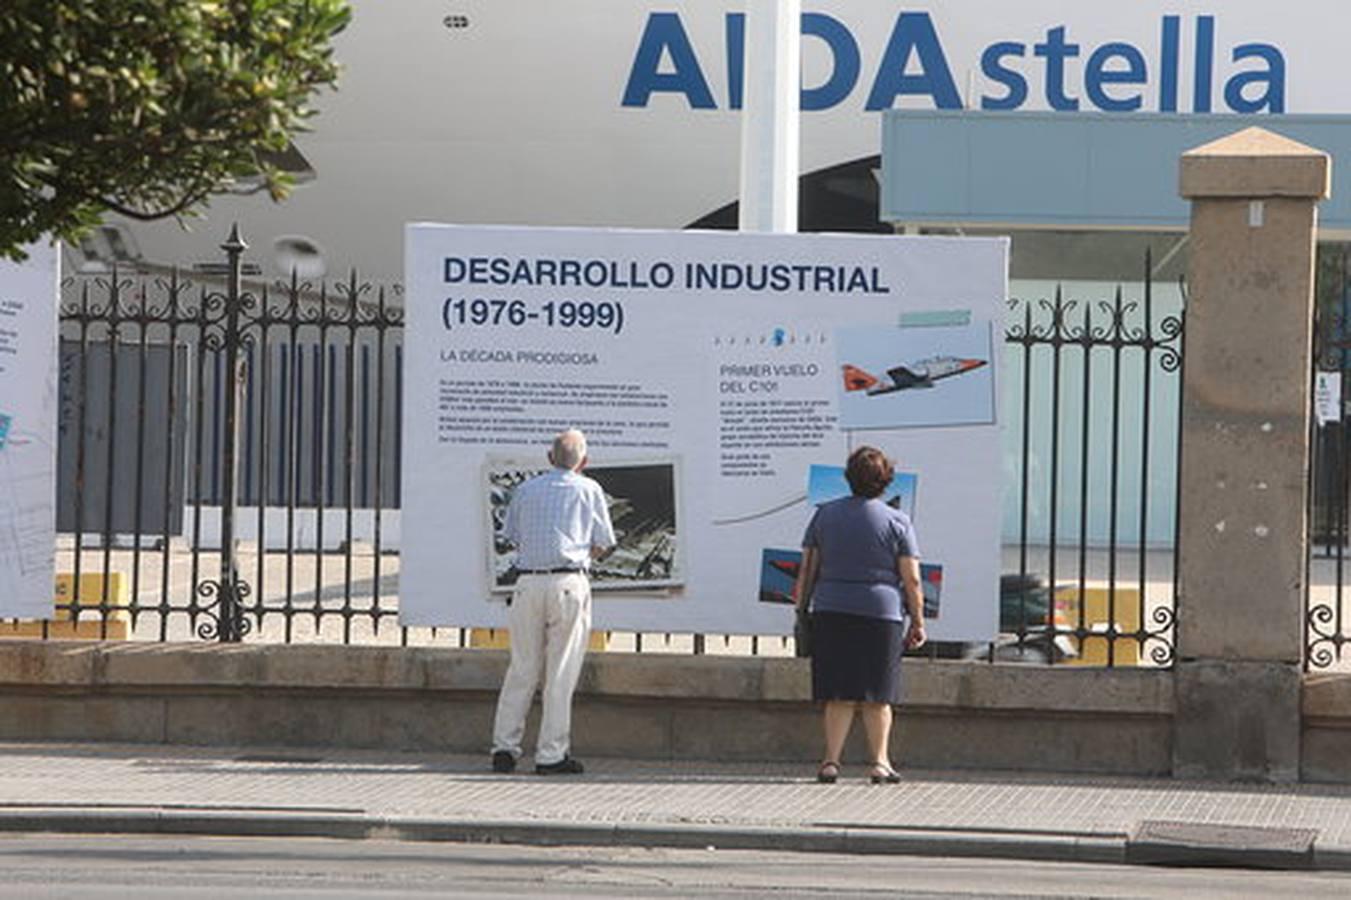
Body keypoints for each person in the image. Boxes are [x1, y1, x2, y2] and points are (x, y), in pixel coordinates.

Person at [793, 446, 926, 784]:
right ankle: (880, 763)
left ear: (848, 478)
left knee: (838, 693)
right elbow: (911, 578)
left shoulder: (824, 515)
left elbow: (808, 568)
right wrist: (918, 620)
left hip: (832, 608)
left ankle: (830, 762)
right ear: (886, 482)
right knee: (878, 695)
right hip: (881, 613)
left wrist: (802, 609)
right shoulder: (898, 521)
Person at [490, 429, 615, 775]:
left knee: (522, 668)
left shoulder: (526, 489)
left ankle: (504, 747)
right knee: (560, 672)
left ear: (549, 458)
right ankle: (551, 754)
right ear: (584, 462)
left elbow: (510, 538)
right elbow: (604, 542)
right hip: (569, 582)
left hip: (528, 584)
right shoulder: (590, 489)